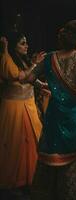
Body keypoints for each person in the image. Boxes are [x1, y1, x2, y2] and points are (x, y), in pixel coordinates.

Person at [20, 20, 76, 200]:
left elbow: (27, 78)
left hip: (54, 115)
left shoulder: (50, 57)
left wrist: (42, 84)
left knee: (54, 153)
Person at [0, 32, 44, 194]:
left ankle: (30, 177)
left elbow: (31, 79)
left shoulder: (23, 60)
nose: (26, 46)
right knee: (15, 143)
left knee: (32, 140)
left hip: (28, 105)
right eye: (22, 43)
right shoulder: (6, 59)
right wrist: (36, 64)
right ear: (13, 46)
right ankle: (15, 179)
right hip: (14, 108)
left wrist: (44, 86)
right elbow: (19, 76)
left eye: (26, 43)